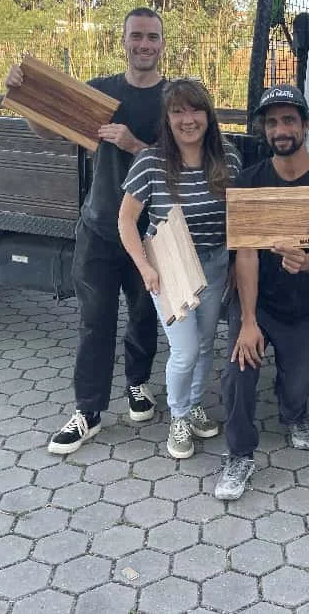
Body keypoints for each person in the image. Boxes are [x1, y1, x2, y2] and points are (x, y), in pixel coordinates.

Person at [5, 7, 168, 455]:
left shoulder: (174, 99)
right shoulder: (100, 92)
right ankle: (88, 412)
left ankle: (138, 385)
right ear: (124, 41)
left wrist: (134, 144)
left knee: (143, 314)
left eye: (152, 37)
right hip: (98, 227)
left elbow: (185, 164)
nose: (144, 45)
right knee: (94, 322)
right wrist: (22, 97)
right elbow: (49, 132)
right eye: (136, 36)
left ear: (162, 44)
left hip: (151, 231)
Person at [213, 85, 309, 501]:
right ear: (263, 130)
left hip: (308, 304)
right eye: (272, 122)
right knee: (241, 366)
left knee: (296, 390)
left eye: (289, 119)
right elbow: (247, 256)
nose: (281, 129)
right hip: (259, 302)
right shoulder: (251, 181)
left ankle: (295, 413)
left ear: (305, 124)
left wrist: (300, 260)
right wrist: (249, 322)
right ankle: (239, 454)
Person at [117, 79, 241, 460]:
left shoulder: (229, 159)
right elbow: (125, 221)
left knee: (205, 345)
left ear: (209, 115)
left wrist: (236, 262)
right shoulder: (151, 162)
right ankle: (179, 416)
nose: (188, 119)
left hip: (214, 263)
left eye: (195, 110)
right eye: (178, 111)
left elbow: (238, 219)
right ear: (168, 119)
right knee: (185, 350)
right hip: (169, 264)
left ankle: (195, 403)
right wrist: (145, 268)